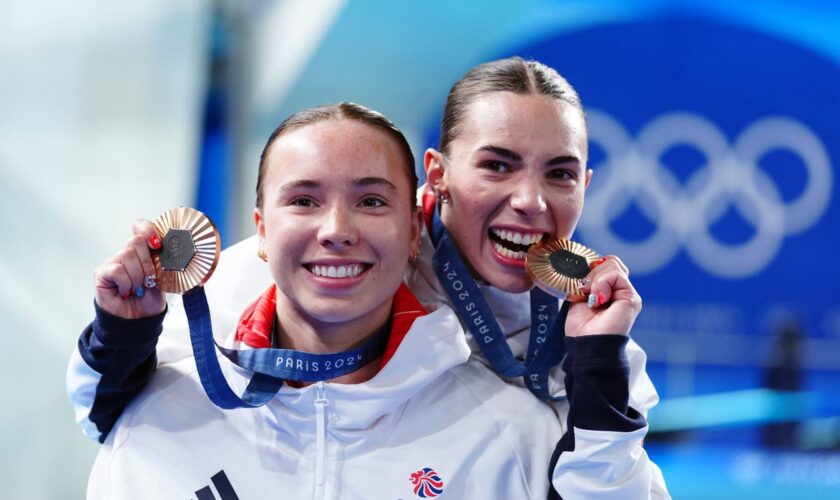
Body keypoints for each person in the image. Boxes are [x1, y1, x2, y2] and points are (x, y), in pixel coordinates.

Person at [69, 58, 669, 498]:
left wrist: (599, 369)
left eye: (560, 174)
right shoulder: (278, 277)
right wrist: (120, 334)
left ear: (584, 185)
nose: (531, 201)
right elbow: (113, 411)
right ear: (435, 178)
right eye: (496, 165)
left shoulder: (594, 333)